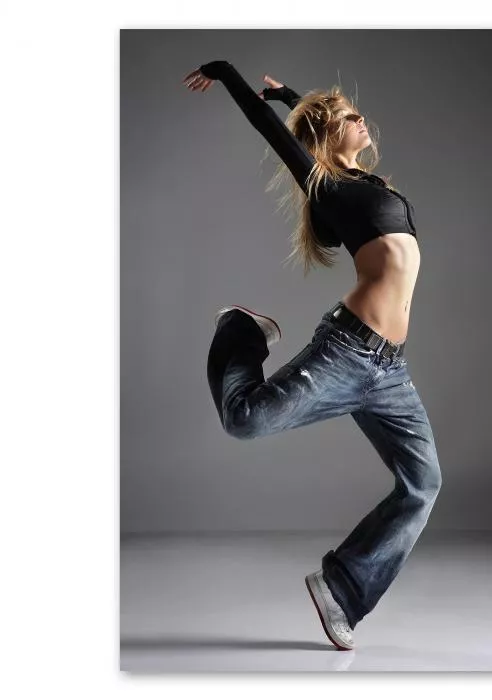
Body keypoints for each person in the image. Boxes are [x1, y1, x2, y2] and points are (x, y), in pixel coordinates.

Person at [182, 60, 442, 651]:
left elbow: (313, 122)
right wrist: (227, 74)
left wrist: (290, 97)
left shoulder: (369, 182)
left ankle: (341, 589)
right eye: (351, 117)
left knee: (423, 483)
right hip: (346, 351)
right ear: (330, 130)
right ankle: (243, 330)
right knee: (244, 420)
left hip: (389, 368)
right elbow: (273, 131)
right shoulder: (325, 187)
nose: (363, 121)